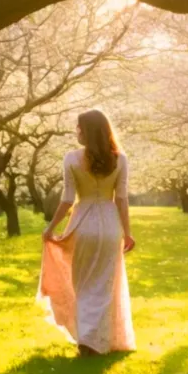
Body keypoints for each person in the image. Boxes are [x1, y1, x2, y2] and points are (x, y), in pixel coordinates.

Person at [37, 109, 136, 356]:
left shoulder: (71, 159)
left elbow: (67, 199)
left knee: (83, 285)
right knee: (104, 285)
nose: (76, 132)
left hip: (83, 224)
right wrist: (127, 232)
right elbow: (122, 199)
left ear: (88, 131)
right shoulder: (120, 159)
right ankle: (98, 341)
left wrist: (50, 228)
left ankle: (87, 341)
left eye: (79, 128)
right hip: (110, 226)